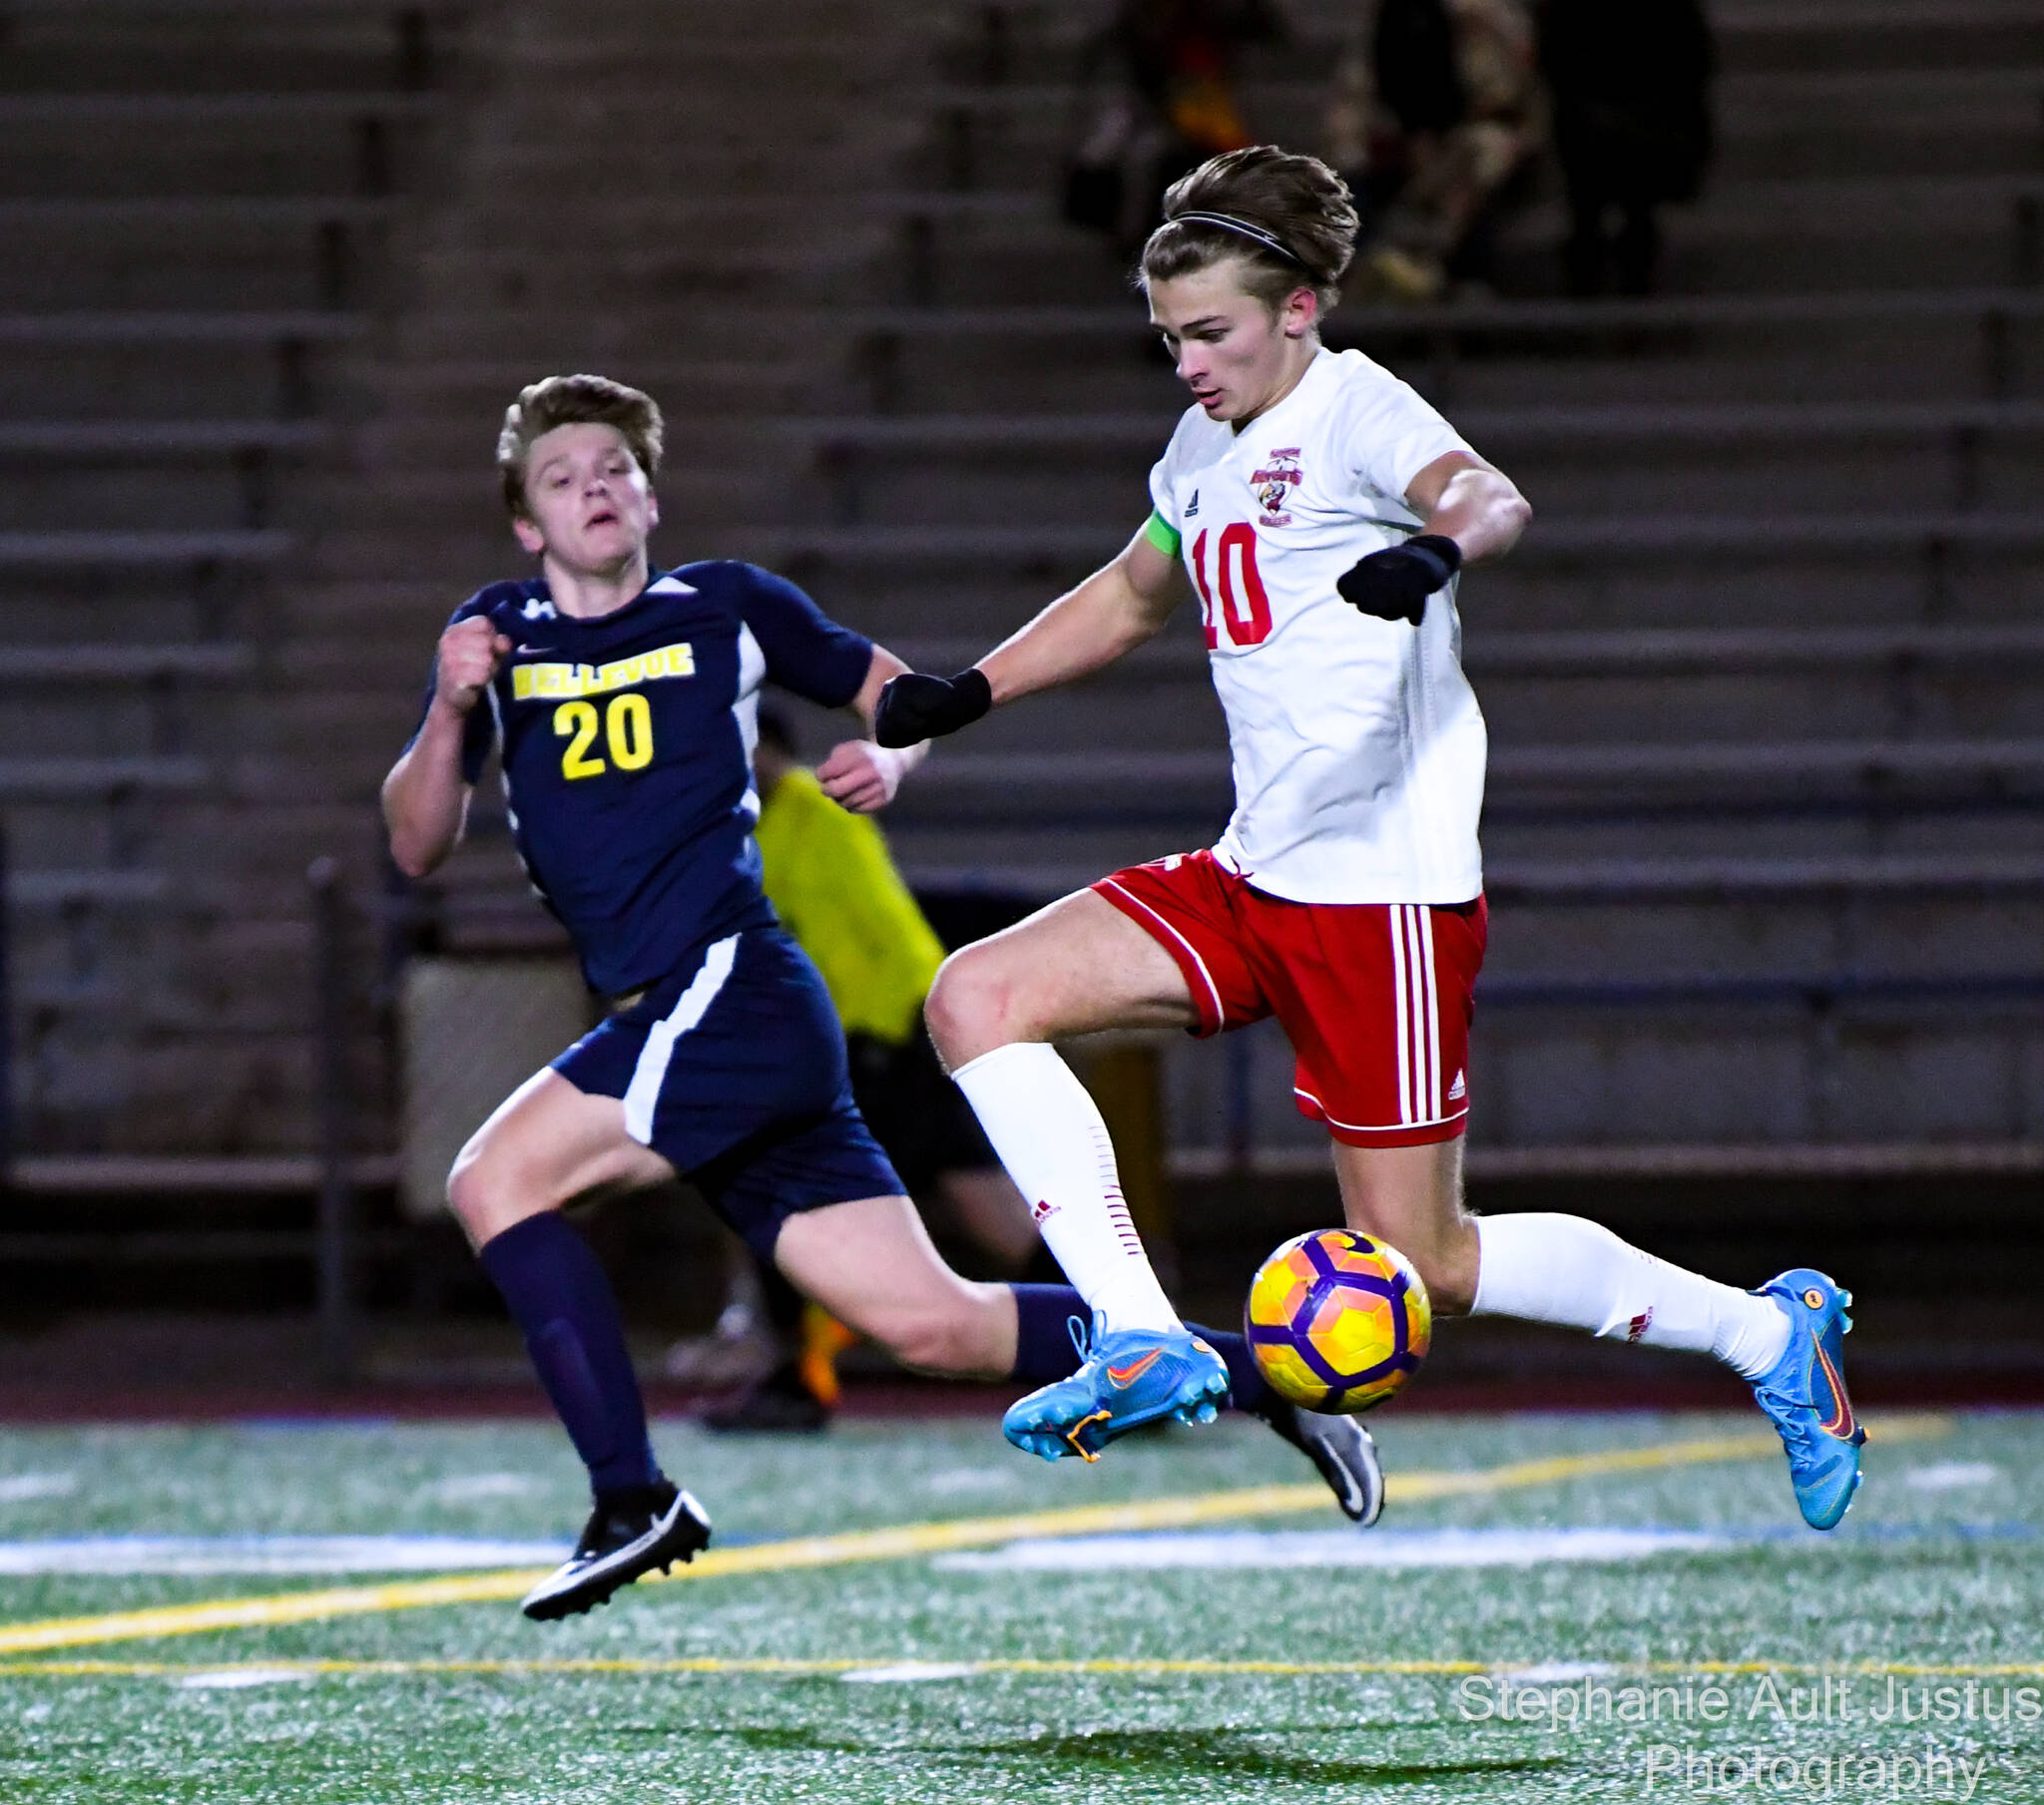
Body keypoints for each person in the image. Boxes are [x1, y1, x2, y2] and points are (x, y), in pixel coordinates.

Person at [875, 147, 1864, 1533]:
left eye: (1209, 333)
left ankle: (1771, 1340)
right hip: (1254, 869)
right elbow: (1131, 593)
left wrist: (1441, 552)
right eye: (1169, 341)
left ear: (1302, 307)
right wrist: (969, 691)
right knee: (976, 995)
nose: (1187, 366)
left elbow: (1487, 496)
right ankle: (1142, 1335)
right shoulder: (1203, 442)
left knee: (1430, 1262)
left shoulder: (1357, 410)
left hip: (1378, 903)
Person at [381, 374, 1387, 1621]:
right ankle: (1267, 1383)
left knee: (494, 1181)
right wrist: (447, 705)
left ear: (649, 493)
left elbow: (902, 698)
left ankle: (629, 1499)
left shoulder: (728, 607)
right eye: (561, 476)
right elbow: (418, 842)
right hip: (682, 1012)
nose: (594, 487)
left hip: (727, 989)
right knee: (936, 1326)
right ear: (527, 524)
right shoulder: (496, 635)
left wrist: (895, 756)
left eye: (613, 467)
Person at [699, 707, 1037, 1432]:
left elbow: (886, 932)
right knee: (981, 1204)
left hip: (885, 1042)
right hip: (870, 1047)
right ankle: (1115, 1347)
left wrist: (887, 1042)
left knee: (781, 1195)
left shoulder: (816, 816)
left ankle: (800, 1377)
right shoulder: (748, 831)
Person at [1538, 0, 1714, 296]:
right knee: (1620, 207)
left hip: (1618, 111)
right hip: (1622, 110)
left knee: (1602, 205)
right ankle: (1614, 258)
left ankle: (1600, 260)